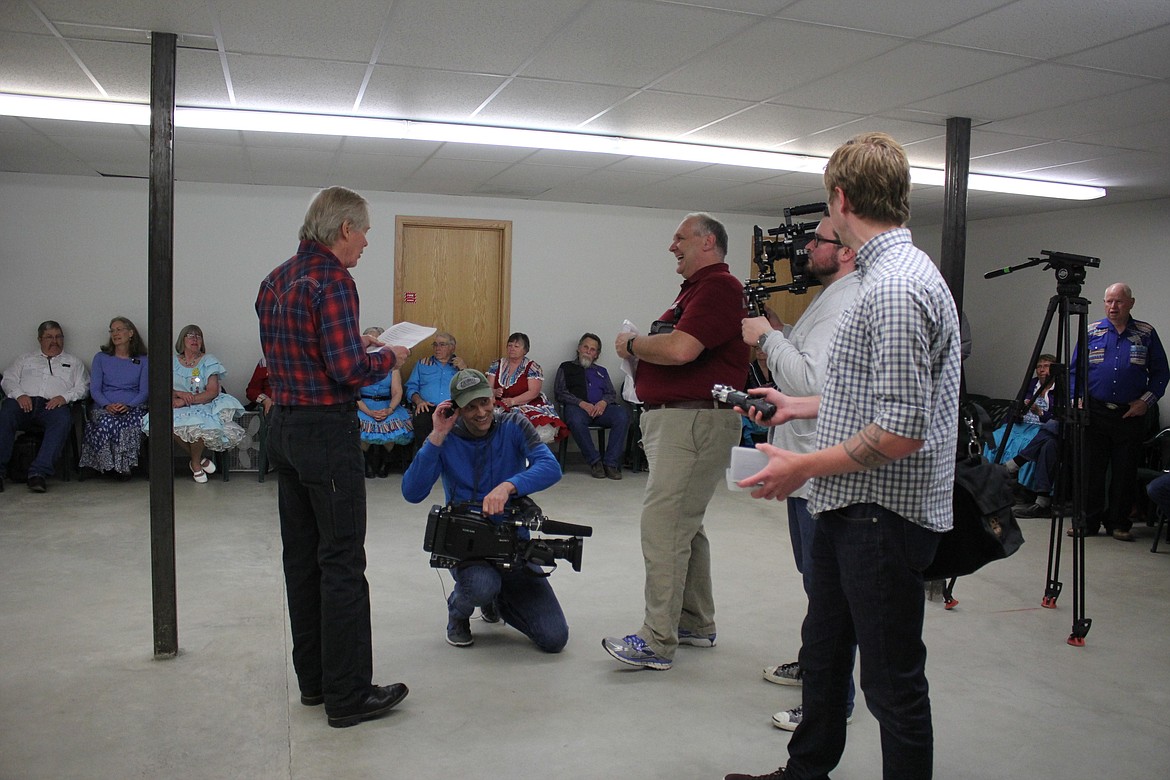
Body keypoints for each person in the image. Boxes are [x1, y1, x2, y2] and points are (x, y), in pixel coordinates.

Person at [724, 133, 962, 780]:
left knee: (891, 684)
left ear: (841, 198)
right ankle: (805, 772)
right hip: (850, 505)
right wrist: (799, 407)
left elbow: (902, 430)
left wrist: (802, 467)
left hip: (881, 515)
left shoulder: (893, 289)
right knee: (824, 651)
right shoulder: (885, 277)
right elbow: (868, 398)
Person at [257, 185, 410, 728]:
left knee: (301, 559)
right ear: (344, 228)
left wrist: (360, 351)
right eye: (365, 231)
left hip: (285, 431)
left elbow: (304, 356)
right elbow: (346, 369)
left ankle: (316, 684)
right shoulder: (334, 280)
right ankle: (349, 696)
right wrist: (388, 356)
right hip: (327, 434)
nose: (367, 242)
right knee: (343, 560)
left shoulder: (274, 280)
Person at [602, 212, 748, 671]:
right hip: (682, 422)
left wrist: (631, 344)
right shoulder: (696, 291)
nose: (672, 246)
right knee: (685, 524)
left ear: (707, 242)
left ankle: (657, 639)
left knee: (663, 526)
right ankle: (693, 622)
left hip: (693, 423)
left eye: (679, 238)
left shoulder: (719, 288)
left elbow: (682, 349)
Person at [738, 215, 861, 733]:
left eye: (818, 241)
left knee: (828, 590)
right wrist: (781, 331)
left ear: (847, 251)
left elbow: (810, 376)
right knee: (815, 584)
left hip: (822, 472)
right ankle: (816, 668)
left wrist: (767, 340)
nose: (806, 248)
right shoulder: (829, 295)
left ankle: (830, 702)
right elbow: (815, 371)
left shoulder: (849, 297)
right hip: (803, 464)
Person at [402, 368, 567, 651]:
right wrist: (437, 435)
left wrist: (509, 486)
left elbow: (551, 468)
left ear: (493, 398)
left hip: (513, 544)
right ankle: (459, 613)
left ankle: (497, 599)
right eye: (470, 407)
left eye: (485, 402)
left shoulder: (514, 424)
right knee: (480, 585)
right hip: (467, 547)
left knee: (554, 638)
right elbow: (412, 492)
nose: (481, 412)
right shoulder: (446, 437)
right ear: (456, 408)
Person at [1075, 283, 1168, 541]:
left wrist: (1146, 402)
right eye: (1108, 302)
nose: (1113, 307)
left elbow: (1161, 373)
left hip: (1130, 414)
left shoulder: (1146, 333)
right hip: (1095, 412)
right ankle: (1088, 522)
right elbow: (1076, 370)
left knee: (1124, 472)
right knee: (1091, 472)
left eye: (1118, 301)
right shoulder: (1092, 331)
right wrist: (1078, 398)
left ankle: (1118, 523)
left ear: (1131, 303)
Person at [142, 324, 245, 483]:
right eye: (190, 335)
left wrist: (187, 400)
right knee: (166, 421)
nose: (195, 338)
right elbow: (161, 387)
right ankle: (199, 460)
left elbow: (212, 392)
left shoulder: (209, 360)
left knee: (199, 425)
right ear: (182, 340)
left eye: (198, 336)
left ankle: (195, 464)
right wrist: (178, 395)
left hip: (203, 403)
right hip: (177, 404)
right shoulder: (171, 362)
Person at [0, 321, 89, 493]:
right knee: (6, 413)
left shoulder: (73, 362)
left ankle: (38, 473)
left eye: (58, 337)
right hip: (23, 403)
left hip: (52, 406)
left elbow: (83, 387)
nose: (54, 341)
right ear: (40, 339)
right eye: (49, 337)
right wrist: (20, 394)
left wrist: (64, 397)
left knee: (63, 419)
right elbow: (8, 379)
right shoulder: (25, 359)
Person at [79, 316, 149, 479]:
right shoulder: (101, 358)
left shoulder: (143, 360)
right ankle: (107, 466)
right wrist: (107, 405)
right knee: (107, 421)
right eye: (112, 330)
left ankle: (124, 467)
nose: (115, 333)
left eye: (119, 329)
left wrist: (129, 406)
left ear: (130, 333)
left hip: (133, 406)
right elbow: (95, 389)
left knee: (130, 422)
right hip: (105, 406)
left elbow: (144, 391)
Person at [553, 333, 629, 479]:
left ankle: (610, 463)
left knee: (622, 415)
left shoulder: (601, 371)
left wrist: (603, 402)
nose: (588, 351)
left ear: (596, 355)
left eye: (592, 349)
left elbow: (611, 393)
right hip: (578, 410)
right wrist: (582, 403)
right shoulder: (566, 367)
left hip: (600, 410)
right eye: (585, 347)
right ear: (579, 349)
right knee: (574, 419)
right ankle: (595, 462)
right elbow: (560, 392)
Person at [487, 332, 569, 445]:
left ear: (525, 350)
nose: (512, 349)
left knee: (526, 426)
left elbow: (533, 392)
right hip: (500, 403)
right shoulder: (496, 365)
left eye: (516, 346)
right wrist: (494, 392)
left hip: (526, 403)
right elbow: (487, 388)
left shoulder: (533, 367)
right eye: (510, 345)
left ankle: (527, 458)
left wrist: (513, 401)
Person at [357, 326, 413, 478]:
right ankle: (366, 462)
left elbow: (397, 392)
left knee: (391, 427)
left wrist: (389, 409)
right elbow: (354, 394)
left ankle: (385, 462)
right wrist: (369, 411)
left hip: (387, 405)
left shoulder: (392, 366)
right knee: (361, 428)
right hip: (363, 406)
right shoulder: (359, 365)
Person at [404, 331, 466, 446]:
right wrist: (419, 401)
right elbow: (410, 387)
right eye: (435, 344)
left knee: (459, 429)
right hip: (427, 406)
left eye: (442, 344)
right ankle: (425, 459)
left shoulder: (459, 366)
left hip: (451, 407)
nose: (437, 348)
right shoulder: (422, 364)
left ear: (452, 348)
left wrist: (464, 369)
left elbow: (469, 389)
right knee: (422, 423)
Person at [741, 346, 776, 446]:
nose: (761, 351)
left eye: (763, 348)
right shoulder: (749, 369)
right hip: (753, 412)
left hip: (774, 411)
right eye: (757, 349)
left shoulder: (775, 368)